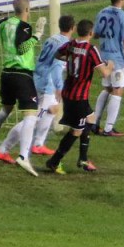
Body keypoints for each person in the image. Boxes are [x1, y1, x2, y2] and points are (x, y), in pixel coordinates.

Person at [0, 0, 46, 176]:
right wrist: (37, 34)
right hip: (21, 75)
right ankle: (23, 156)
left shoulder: (4, 23)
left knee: (6, 109)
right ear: (27, 9)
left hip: (6, 74)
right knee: (31, 113)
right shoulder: (24, 26)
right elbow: (22, 48)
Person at [46, 19, 113, 174]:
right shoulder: (90, 50)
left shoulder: (70, 45)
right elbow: (104, 73)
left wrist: (71, 60)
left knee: (90, 119)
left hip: (68, 92)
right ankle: (54, 161)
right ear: (91, 33)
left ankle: (83, 159)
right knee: (76, 131)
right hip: (78, 98)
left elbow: (57, 54)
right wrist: (110, 65)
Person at [30, 14, 75, 157]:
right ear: (72, 28)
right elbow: (56, 67)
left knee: (53, 109)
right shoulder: (65, 45)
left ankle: (38, 144)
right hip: (47, 83)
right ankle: (5, 147)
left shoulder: (52, 38)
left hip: (38, 76)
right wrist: (59, 87)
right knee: (34, 118)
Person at [92, 0, 124, 137]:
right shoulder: (123, 16)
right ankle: (108, 129)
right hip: (117, 59)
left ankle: (94, 124)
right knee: (118, 90)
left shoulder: (102, 12)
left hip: (104, 57)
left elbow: (95, 34)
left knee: (108, 89)